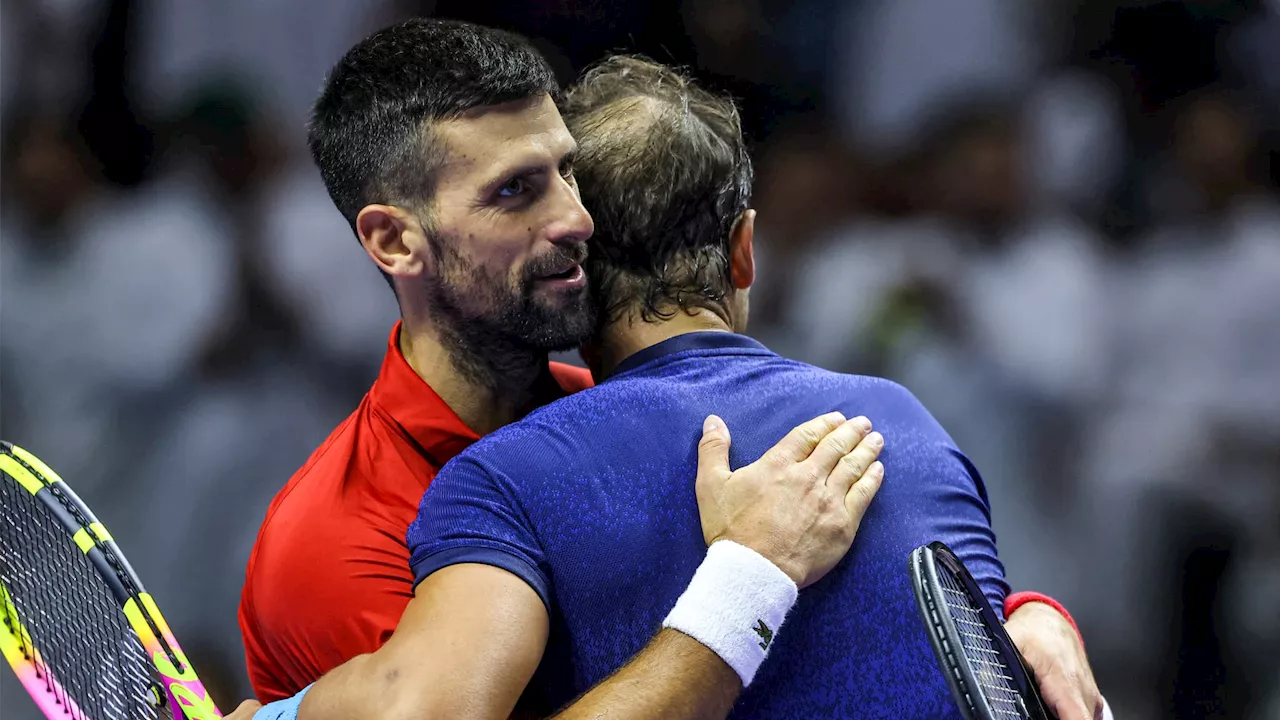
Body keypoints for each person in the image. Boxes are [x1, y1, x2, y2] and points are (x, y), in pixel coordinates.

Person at [235, 19, 1099, 720]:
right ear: (393, 241)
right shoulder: (332, 543)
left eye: (570, 173)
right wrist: (747, 572)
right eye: (517, 191)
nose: (577, 219)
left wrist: (1020, 620)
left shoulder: (594, 419)